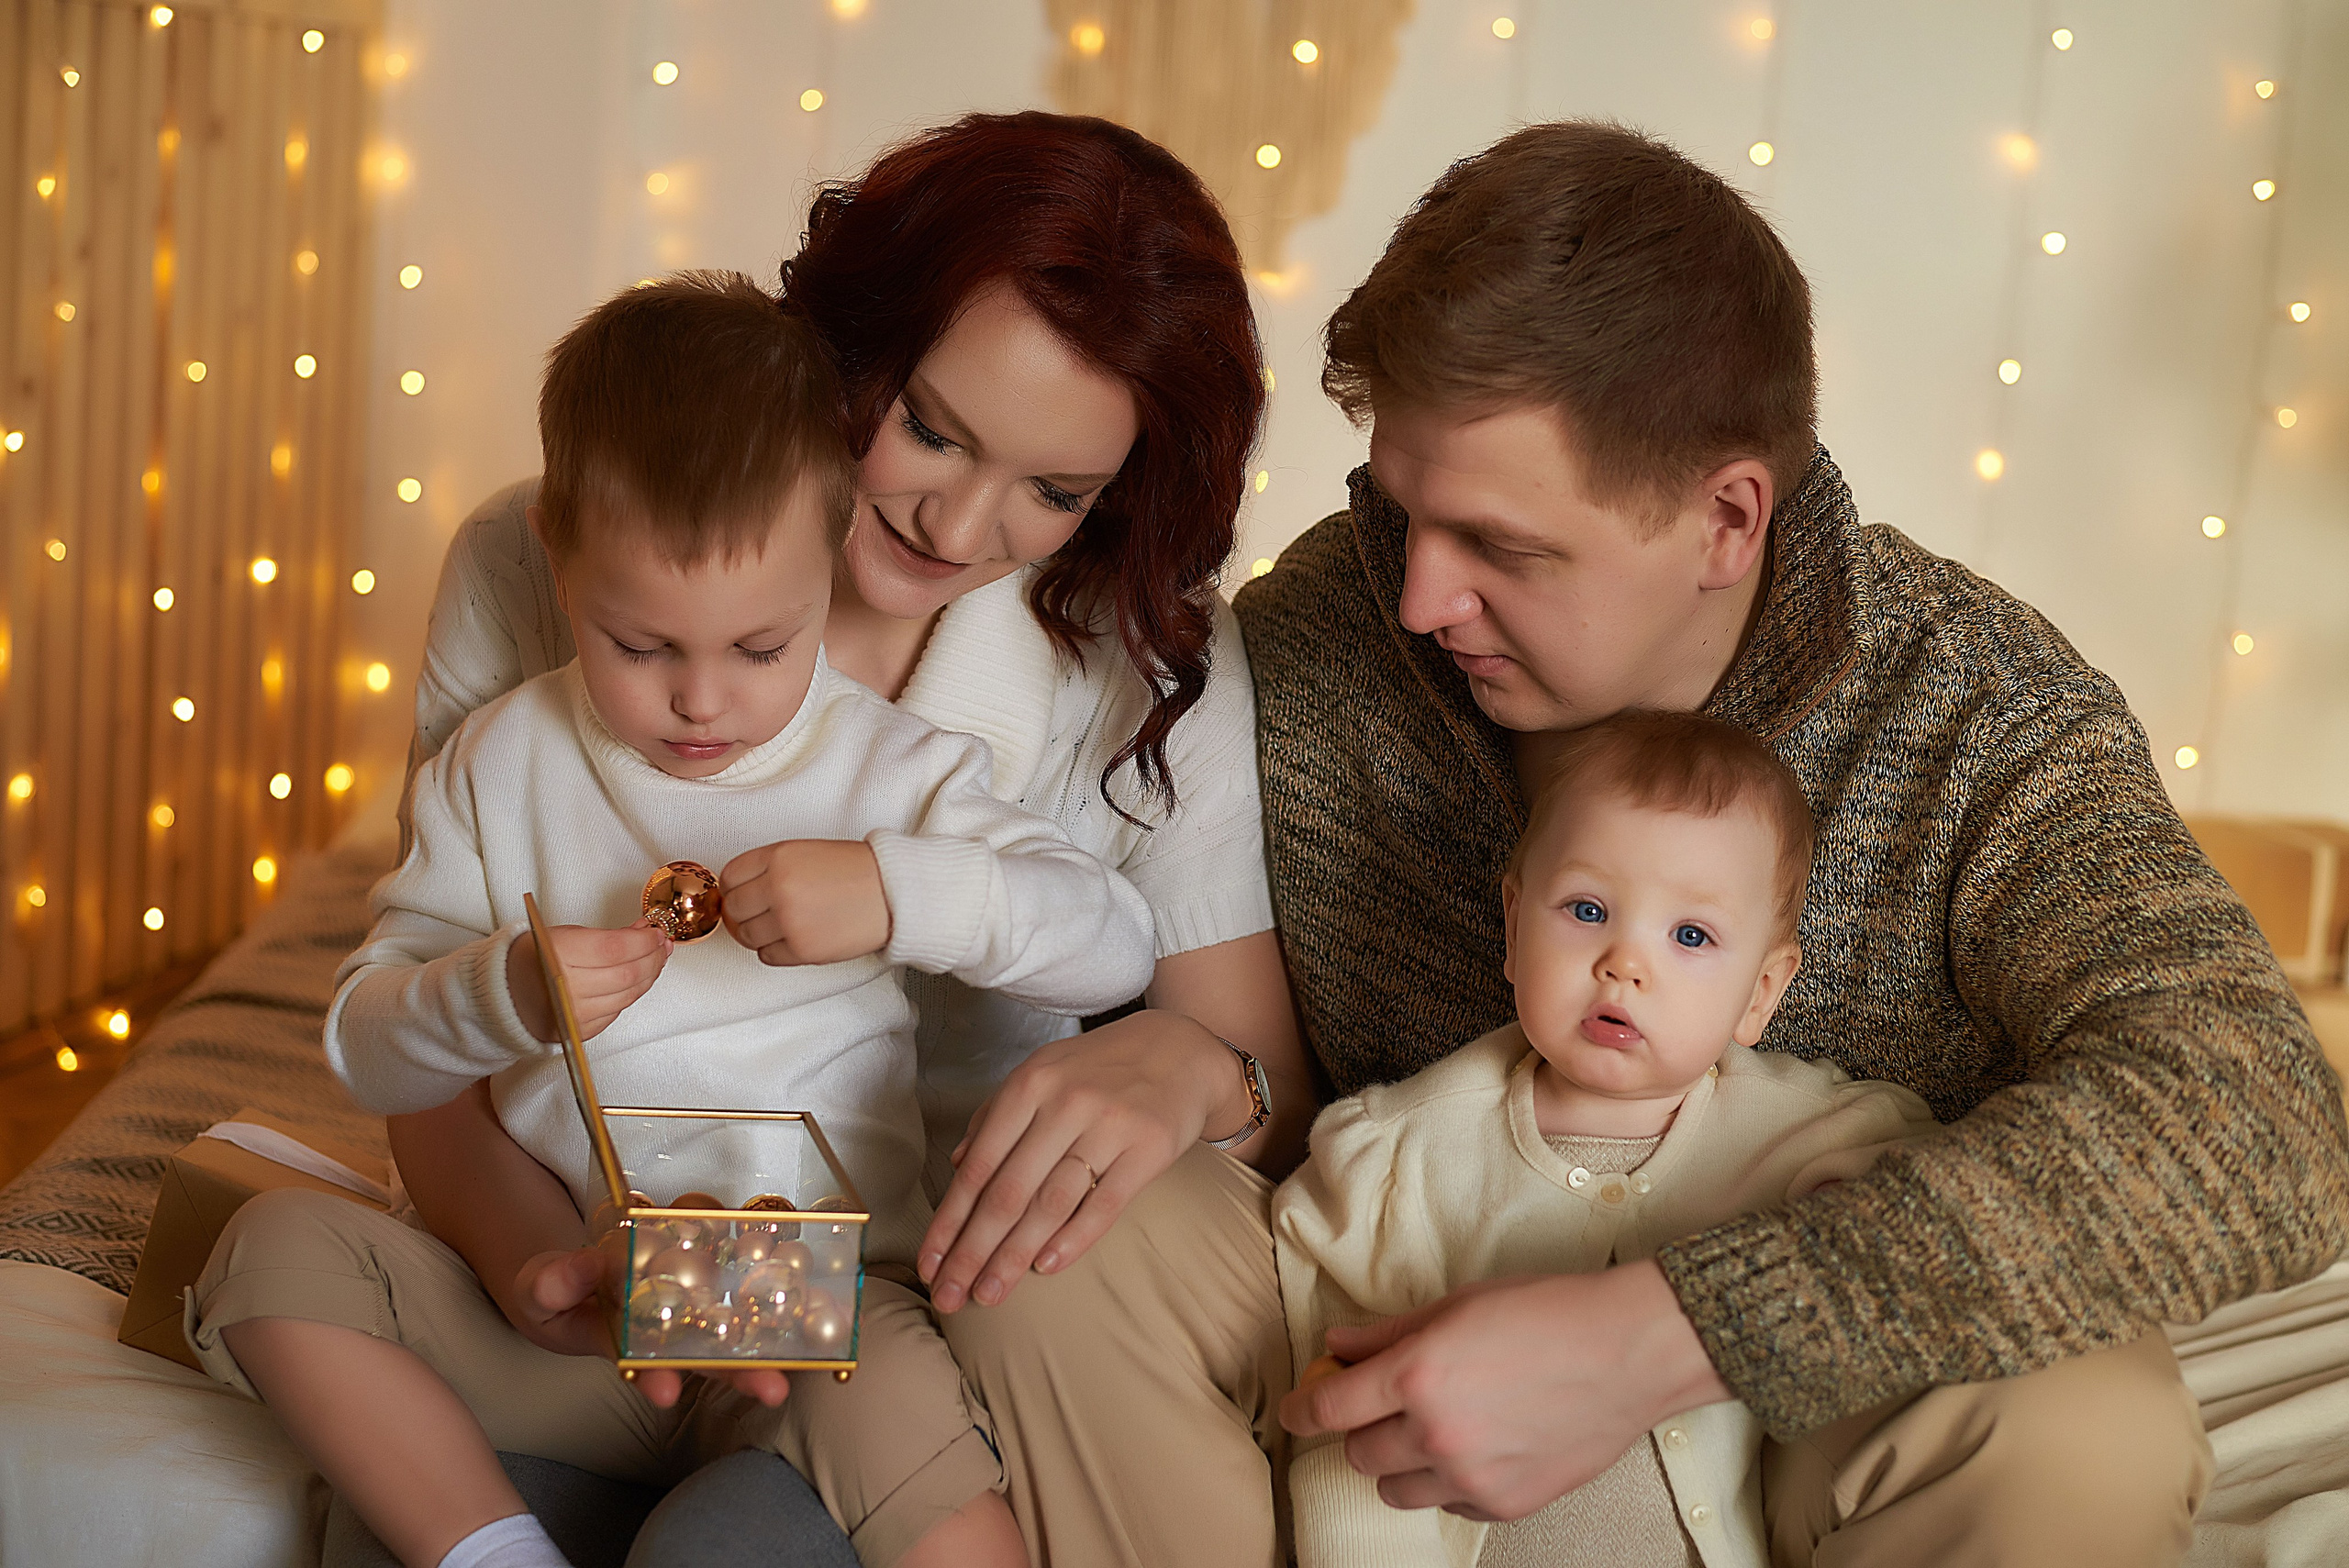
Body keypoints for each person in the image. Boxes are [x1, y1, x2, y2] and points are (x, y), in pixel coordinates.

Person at [915, 120, 2349, 1567]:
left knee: (2082, 1423)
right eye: (1400, 513)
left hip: (1810, 1381)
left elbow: (2262, 1130)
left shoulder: (1974, 711)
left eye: (1503, 549)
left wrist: (1664, 1337)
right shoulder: (1317, 634)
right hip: (1363, 1322)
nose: (1417, 599)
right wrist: (1194, 1068)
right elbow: (1244, 1092)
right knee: (1044, 1240)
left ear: (1725, 519)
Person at [384, 113, 1313, 1566]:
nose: (957, 520)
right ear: (843, 347)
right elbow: (423, 1018)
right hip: (585, 1253)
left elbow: (1268, 1085)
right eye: (932, 428)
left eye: (1053, 492)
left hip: (889, 1303)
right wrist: (536, 1266)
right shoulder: (540, 553)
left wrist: (1180, 1064)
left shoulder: (1143, 662)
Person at [191, 272, 1161, 1568]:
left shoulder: (898, 773)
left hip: (806, 1308)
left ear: (830, 562)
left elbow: (1113, 939)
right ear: (556, 549)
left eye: (764, 648)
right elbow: (366, 1044)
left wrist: (897, 889)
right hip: (580, 1306)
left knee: (905, 1444)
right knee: (273, 1253)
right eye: (640, 644)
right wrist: (503, 995)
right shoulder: (503, 760)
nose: (703, 704)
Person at [1275, 711, 1939, 1568]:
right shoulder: (1404, 1158)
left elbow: (1942, 1211)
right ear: (1514, 927)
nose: (1625, 962)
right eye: (1588, 909)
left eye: (1690, 935)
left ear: (1760, 992)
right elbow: (1353, 1448)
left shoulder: (1809, 1137)